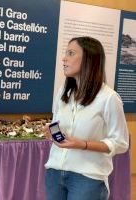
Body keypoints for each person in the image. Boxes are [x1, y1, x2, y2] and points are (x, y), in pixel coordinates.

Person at [44, 36, 129, 200]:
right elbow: (57, 124)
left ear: (89, 59)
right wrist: (52, 131)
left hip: (88, 178)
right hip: (54, 173)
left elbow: (120, 143)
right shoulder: (63, 92)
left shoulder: (109, 98)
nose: (64, 58)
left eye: (71, 53)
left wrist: (83, 144)